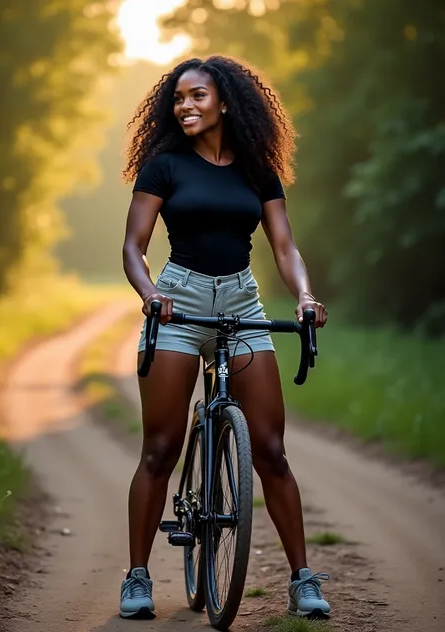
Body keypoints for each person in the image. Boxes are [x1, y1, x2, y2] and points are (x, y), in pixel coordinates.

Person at [120, 54, 330, 621]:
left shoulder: (258, 169)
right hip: (178, 303)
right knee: (159, 449)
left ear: (226, 102)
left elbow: (284, 246)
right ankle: (138, 577)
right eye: (179, 98)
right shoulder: (164, 165)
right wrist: (151, 296)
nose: (184, 105)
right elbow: (134, 247)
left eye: (197, 96)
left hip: (242, 300)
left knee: (272, 452)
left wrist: (305, 297)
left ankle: (302, 578)